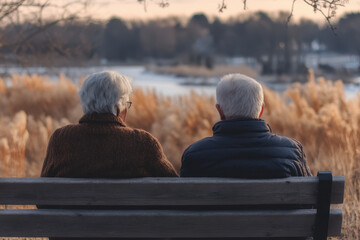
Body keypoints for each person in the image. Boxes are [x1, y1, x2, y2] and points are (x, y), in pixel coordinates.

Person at [41, 70, 178, 179]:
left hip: (69, 215)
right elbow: (175, 191)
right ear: (119, 108)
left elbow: (42, 197)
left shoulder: (61, 139)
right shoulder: (144, 143)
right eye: (127, 105)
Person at [180, 73, 311, 178]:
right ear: (261, 111)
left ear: (220, 111)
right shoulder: (292, 152)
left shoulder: (194, 155)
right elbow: (309, 201)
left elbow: (183, 206)